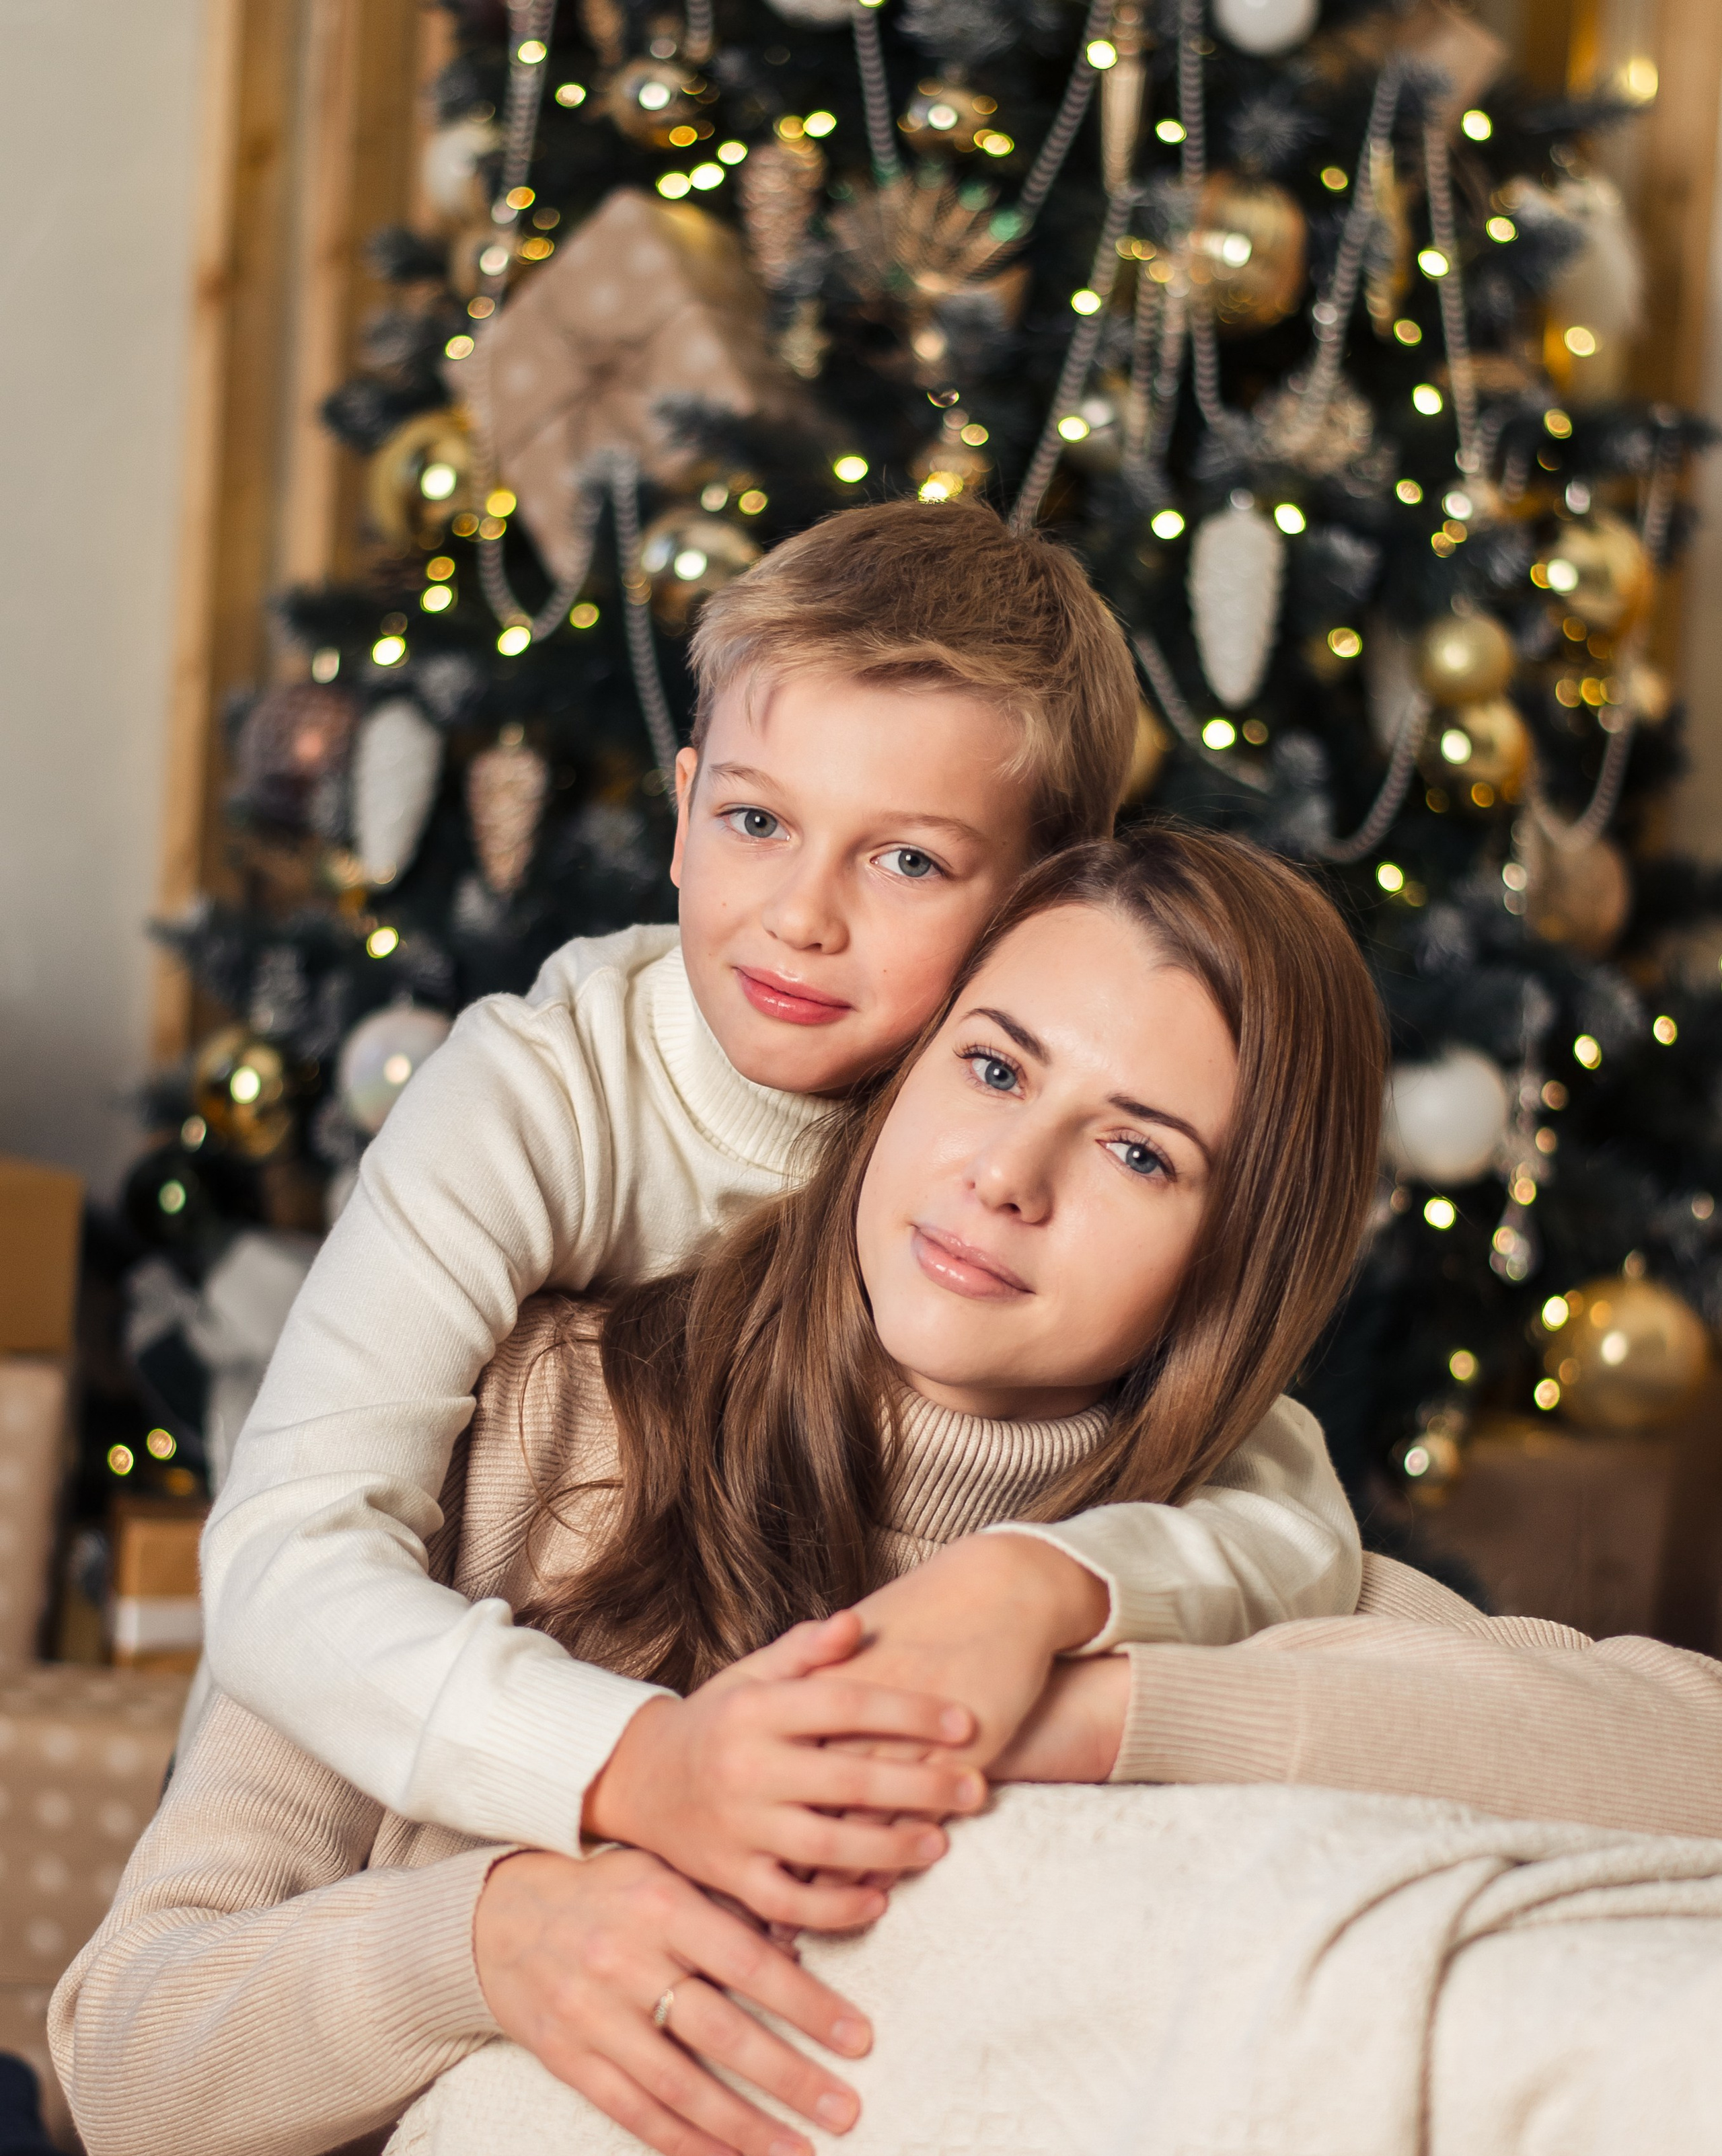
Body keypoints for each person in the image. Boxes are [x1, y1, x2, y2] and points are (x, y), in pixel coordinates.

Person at [7, 826, 1380, 2156]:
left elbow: (1669, 1748)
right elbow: (122, 2051)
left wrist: (1054, 1627)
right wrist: (484, 1940)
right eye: (991, 1064)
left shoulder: (1226, 1587)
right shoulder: (539, 1412)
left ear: (1233, 1259)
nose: (1008, 1174)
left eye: (1137, 1149)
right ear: (898, 1078)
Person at [196, 502, 1365, 1869]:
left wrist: (1042, 1588)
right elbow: (291, 1546)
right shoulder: (536, 1091)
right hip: (366, 1767)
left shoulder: (987, 1117)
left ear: (1044, 904)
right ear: (683, 814)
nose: (801, 917)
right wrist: (631, 1766)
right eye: (755, 819)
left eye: (908, 859)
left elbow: (1284, 1511)